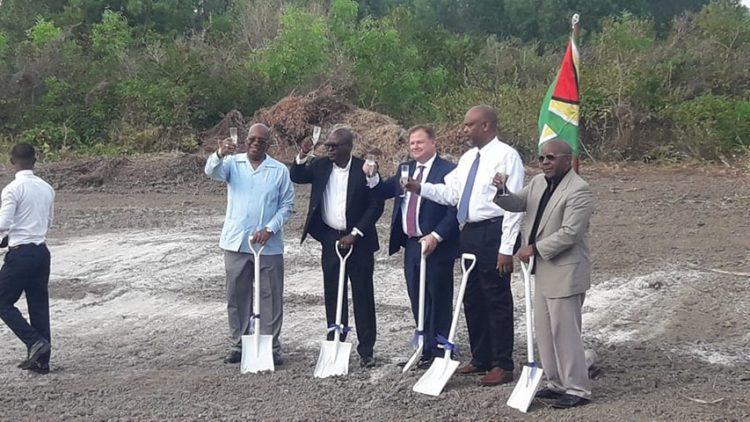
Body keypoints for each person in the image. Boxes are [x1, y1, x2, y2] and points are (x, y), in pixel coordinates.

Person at [404, 106, 524, 386]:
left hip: (494, 231)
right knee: (472, 296)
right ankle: (481, 357)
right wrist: (420, 188)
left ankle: (502, 363)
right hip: (469, 232)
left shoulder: (506, 157)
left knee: (496, 297)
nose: (464, 129)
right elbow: (452, 194)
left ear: (486, 126)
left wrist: (506, 247)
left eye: (469, 125)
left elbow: (514, 206)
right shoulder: (468, 158)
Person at [492, 138, 594, 408]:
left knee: (565, 331)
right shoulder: (538, 182)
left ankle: (577, 389)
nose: (545, 162)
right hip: (544, 270)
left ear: (566, 159)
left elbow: (571, 233)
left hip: (565, 270)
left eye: (551, 157)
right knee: (545, 331)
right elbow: (516, 204)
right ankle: (555, 382)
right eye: (541, 158)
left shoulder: (579, 190)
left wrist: (534, 248)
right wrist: (502, 191)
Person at [363, 125, 459, 369]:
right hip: (412, 244)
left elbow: (455, 209)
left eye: (420, 142)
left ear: (433, 143)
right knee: (417, 296)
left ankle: (440, 350)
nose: (415, 147)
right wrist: (372, 176)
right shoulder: (406, 169)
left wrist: (436, 236)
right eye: (412, 143)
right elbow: (384, 191)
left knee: (438, 297)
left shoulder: (448, 170)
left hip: (437, 244)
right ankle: (424, 348)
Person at [290, 127, 384, 368]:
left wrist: (355, 233)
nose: (329, 149)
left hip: (359, 241)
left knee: (363, 295)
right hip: (331, 239)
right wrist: (302, 154)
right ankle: (335, 340)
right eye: (328, 146)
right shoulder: (321, 166)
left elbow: (376, 206)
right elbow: (297, 176)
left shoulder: (365, 168)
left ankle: (366, 350)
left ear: (348, 147)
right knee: (333, 293)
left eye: (334, 146)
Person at [204, 123, 294, 366]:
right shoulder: (233, 163)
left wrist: (270, 228)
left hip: (269, 244)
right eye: (252, 139)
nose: (255, 143)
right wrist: (220, 153)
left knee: (271, 295)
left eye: (261, 141)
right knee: (237, 295)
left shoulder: (279, 170)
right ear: (246, 141)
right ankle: (238, 343)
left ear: (268, 144)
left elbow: (287, 205)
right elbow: (210, 171)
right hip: (236, 240)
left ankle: (270, 345)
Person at [0, 143, 55, 375]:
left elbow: (3, 224)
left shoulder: (13, 189)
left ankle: (34, 342)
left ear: (11, 161)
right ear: (35, 160)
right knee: (39, 305)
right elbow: (48, 222)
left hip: (21, 254)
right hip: (41, 252)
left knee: (2, 301)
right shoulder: (47, 188)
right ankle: (42, 361)